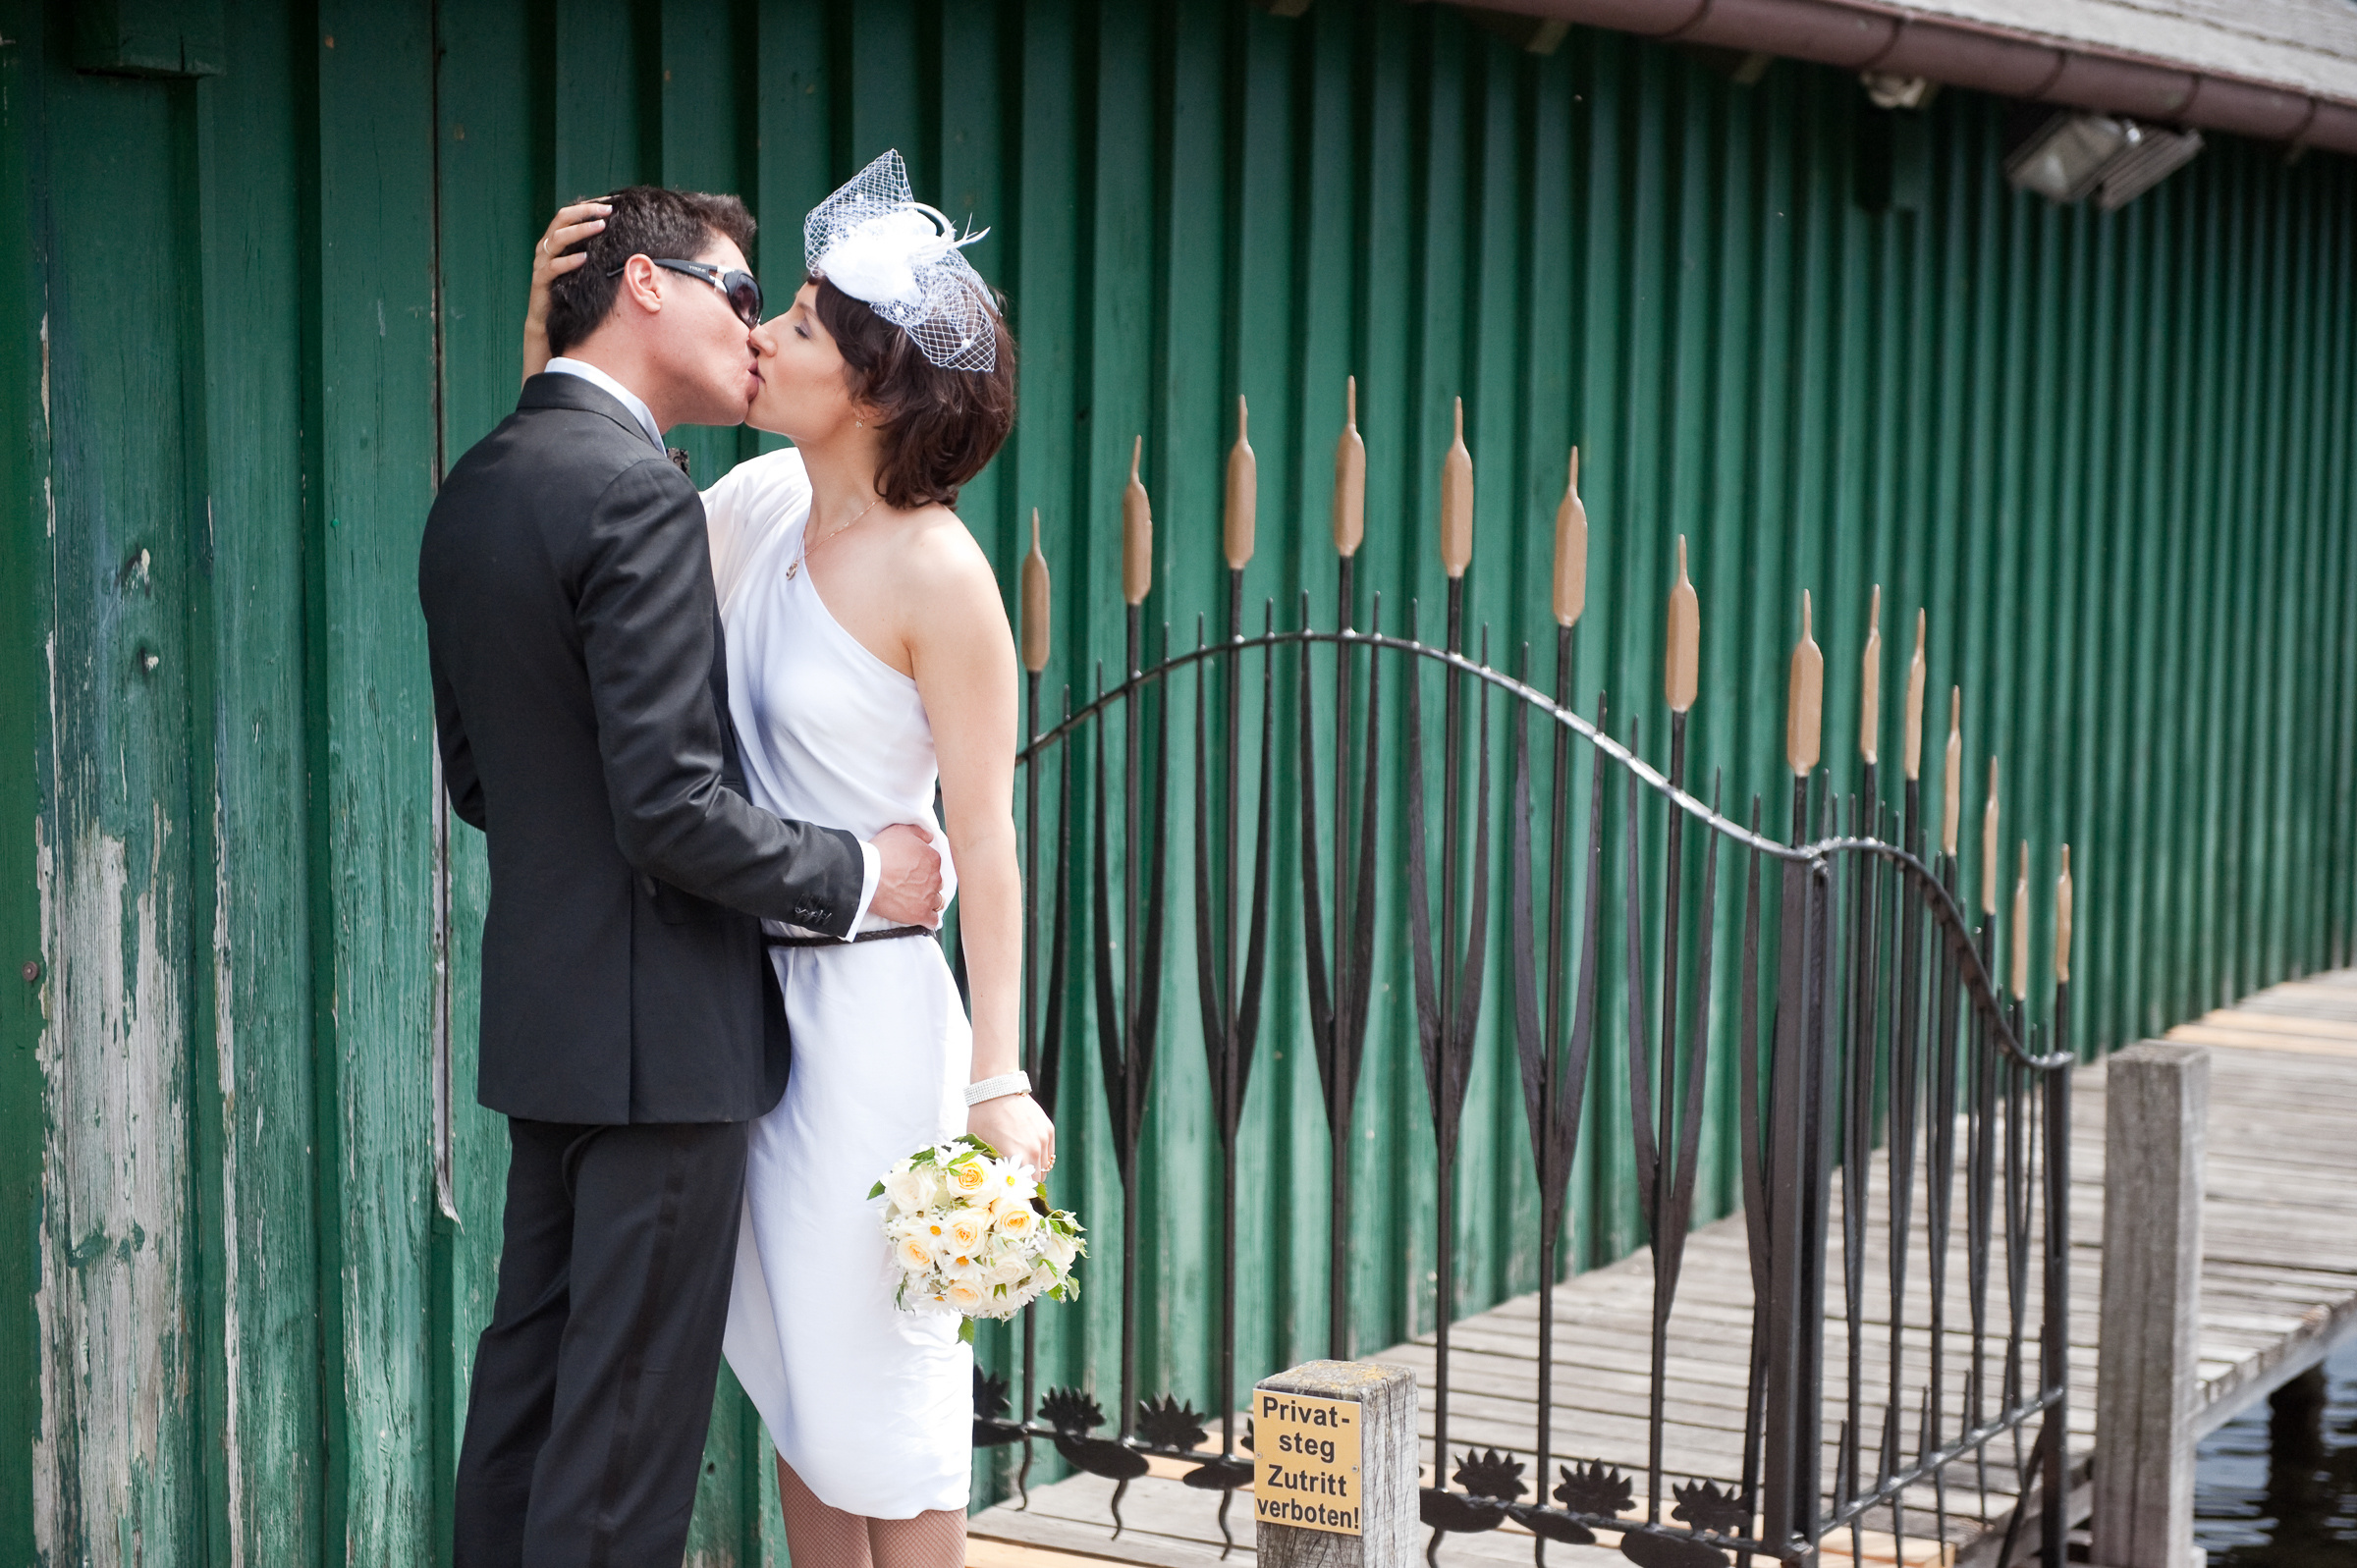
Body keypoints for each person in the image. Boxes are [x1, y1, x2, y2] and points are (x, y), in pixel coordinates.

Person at [521, 151, 1052, 1568]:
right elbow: (582, 548)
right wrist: (549, 358)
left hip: (878, 1027)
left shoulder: (940, 571)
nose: (763, 334)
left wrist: (998, 1074)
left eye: (803, 325)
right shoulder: (752, 503)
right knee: (804, 1396)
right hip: (747, 1015)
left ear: (876, 385)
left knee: (893, 1392)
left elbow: (988, 842)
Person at [420, 184, 948, 1568]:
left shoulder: (482, 483)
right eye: (730, 286)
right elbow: (669, 807)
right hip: (666, 1050)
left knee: (527, 1411)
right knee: (625, 1448)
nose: (752, 323)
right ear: (644, 287)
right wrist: (858, 872)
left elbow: (487, 783)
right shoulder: (640, 497)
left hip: (550, 1032)